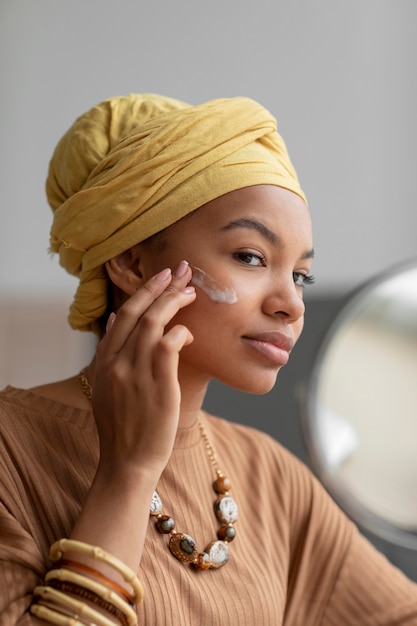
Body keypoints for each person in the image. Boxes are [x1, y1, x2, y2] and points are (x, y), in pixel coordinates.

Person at [0, 93, 416, 626]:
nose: (291, 303)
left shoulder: (271, 477)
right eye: (250, 257)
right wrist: (128, 473)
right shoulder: (10, 450)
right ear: (129, 259)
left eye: (300, 275)